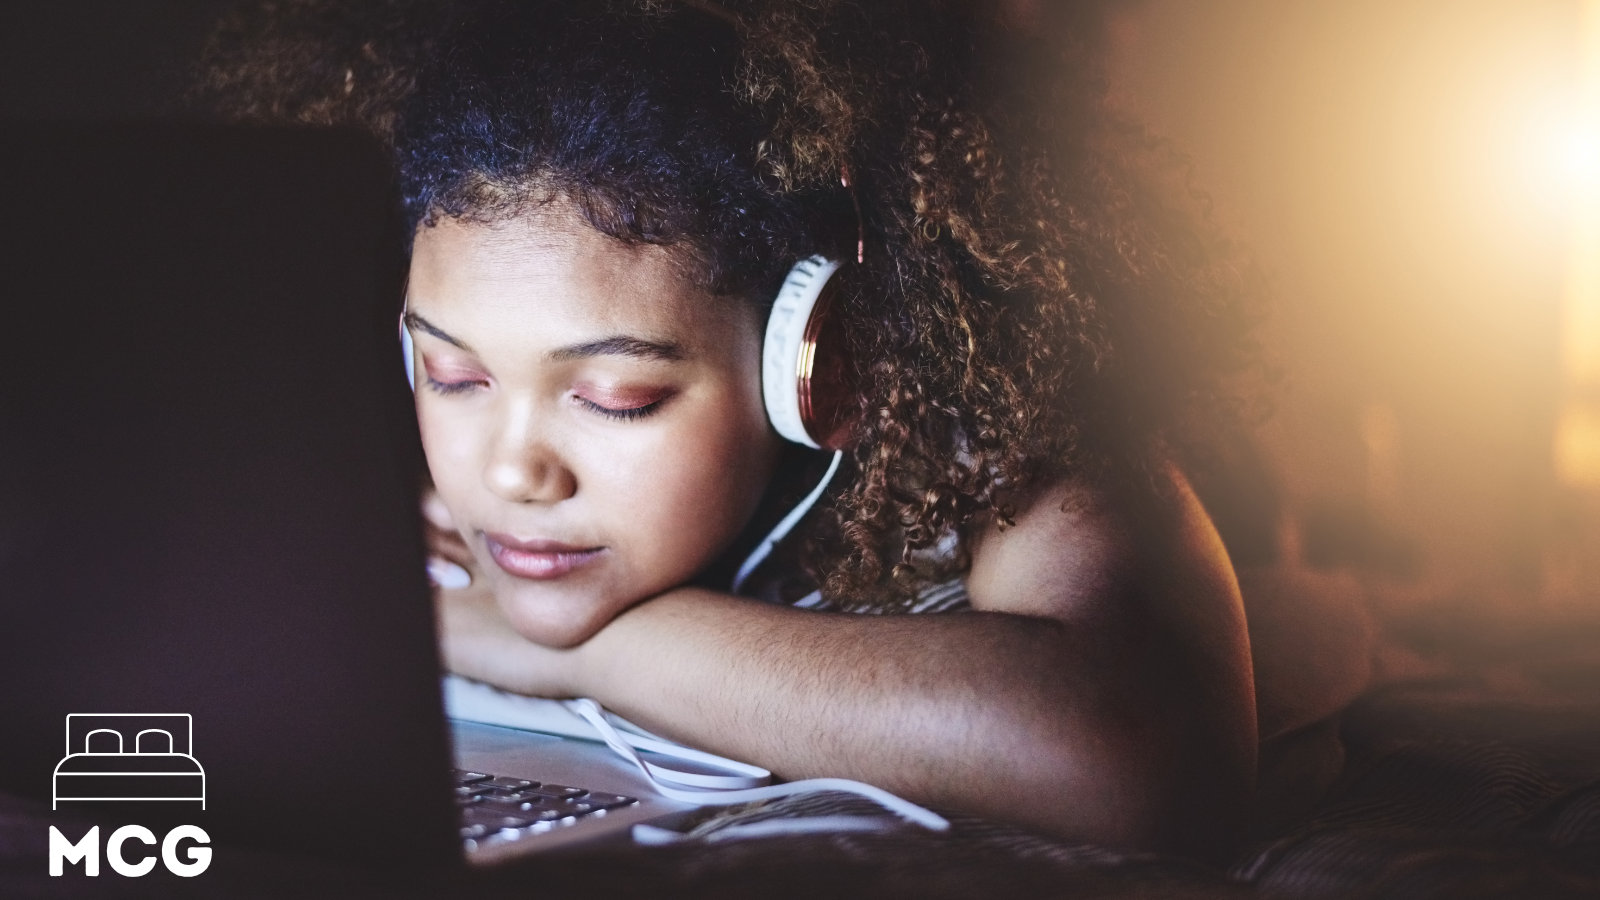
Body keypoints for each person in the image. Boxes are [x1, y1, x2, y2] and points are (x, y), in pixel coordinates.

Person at [203, 0, 1284, 856]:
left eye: (614, 398)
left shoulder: (979, 444)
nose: (512, 470)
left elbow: (1139, 756)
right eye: (451, 373)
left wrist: (582, 650)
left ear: (806, 365)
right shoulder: (403, 475)